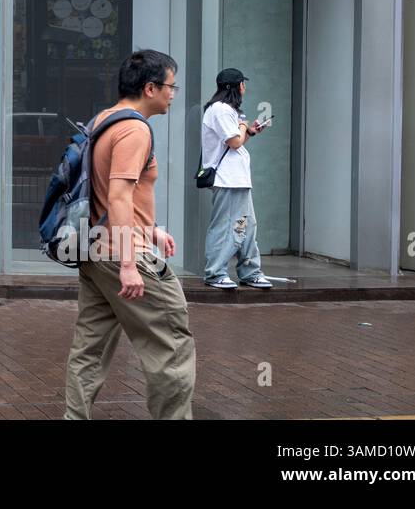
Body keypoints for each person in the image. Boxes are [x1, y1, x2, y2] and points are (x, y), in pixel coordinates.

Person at [63, 49, 196, 420]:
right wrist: (128, 264)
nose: (173, 93)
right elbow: (118, 195)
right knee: (171, 344)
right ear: (150, 88)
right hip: (124, 256)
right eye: (171, 86)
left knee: (89, 350)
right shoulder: (135, 129)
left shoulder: (104, 119)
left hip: (94, 252)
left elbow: (107, 192)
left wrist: (150, 229)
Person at [200, 68, 272, 290]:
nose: (245, 88)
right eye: (243, 83)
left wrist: (249, 131)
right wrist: (242, 126)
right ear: (237, 86)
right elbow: (234, 142)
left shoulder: (227, 110)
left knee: (246, 226)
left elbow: (236, 143)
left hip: (237, 180)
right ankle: (215, 273)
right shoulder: (220, 110)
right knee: (225, 227)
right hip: (227, 180)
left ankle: (250, 272)